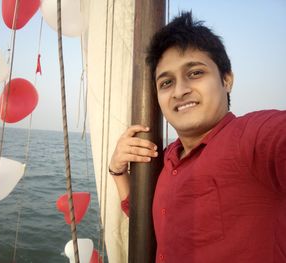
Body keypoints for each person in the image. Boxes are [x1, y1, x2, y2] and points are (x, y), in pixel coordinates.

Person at [108, 11, 286, 263]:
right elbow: (148, 219)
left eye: (195, 73)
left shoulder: (253, 137)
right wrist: (117, 171)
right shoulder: (167, 156)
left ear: (227, 79)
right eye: (166, 83)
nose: (180, 91)